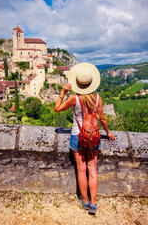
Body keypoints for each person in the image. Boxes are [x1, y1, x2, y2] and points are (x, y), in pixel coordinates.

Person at [54, 62, 115, 214]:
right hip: (94, 136)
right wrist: (108, 132)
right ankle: (94, 204)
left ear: (77, 83)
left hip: (77, 135)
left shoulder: (74, 98)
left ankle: (85, 201)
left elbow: (57, 109)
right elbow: (103, 119)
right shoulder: (98, 98)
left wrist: (62, 93)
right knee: (92, 168)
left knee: (81, 170)